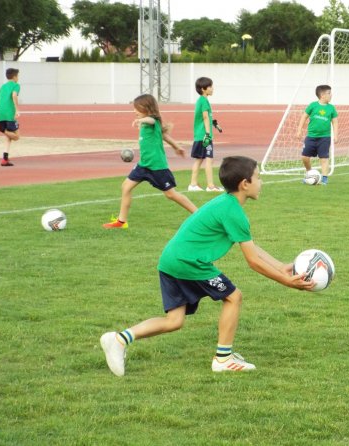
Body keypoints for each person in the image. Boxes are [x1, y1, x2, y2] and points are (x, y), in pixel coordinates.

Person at [100, 156, 315, 376]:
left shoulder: (226, 203)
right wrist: (286, 282)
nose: (261, 182)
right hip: (188, 263)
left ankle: (119, 340)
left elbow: (250, 246)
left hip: (171, 261)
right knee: (233, 297)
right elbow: (253, 261)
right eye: (257, 177)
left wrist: (281, 267)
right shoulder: (233, 211)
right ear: (244, 183)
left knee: (174, 321)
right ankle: (223, 359)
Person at [102, 94, 197, 229]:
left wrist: (142, 120)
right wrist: (177, 147)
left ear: (147, 108)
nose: (134, 111)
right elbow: (164, 136)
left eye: (137, 108)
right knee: (126, 187)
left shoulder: (152, 121)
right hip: (143, 165)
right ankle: (121, 222)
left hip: (157, 166)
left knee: (170, 194)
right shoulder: (145, 124)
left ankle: (198, 214)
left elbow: (152, 121)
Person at [296, 84, 339, 185]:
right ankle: (309, 173)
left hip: (325, 137)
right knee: (305, 157)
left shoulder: (331, 108)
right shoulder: (313, 105)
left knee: (323, 158)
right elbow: (304, 117)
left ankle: (324, 178)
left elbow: (335, 122)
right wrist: (299, 130)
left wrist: (336, 135)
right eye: (329, 93)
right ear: (322, 95)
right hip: (311, 137)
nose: (331, 95)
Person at [187, 77, 224, 192]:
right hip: (204, 136)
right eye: (210, 87)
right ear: (203, 89)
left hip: (200, 135)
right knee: (209, 159)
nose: (212, 89)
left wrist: (214, 124)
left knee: (199, 159)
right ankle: (210, 186)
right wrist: (208, 134)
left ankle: (193, 185)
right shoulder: (203, 101)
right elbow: (204, 116)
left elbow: (206, 117)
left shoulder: (201, 101)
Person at [0, 68, 21, 167]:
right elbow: (14, 95)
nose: (18, 78)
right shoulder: (16, 85)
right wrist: (17, 109)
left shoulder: (3, 86)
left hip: (0, 112)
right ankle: (0, 128)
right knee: (16, 136)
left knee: (9, 137)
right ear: (14, 77)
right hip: (9, 114)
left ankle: (5, 159)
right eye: (18, 76)